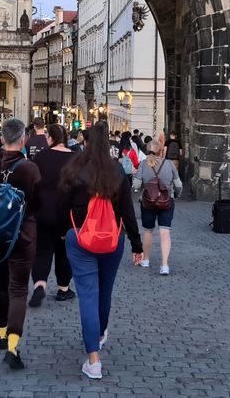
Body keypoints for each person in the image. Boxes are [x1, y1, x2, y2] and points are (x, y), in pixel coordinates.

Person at [60, 124, 143, 379]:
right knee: (104, 292)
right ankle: (100, 332)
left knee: (87, 295)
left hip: (81, 239)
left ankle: (93, 360)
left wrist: (64, 232)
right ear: (108, 144)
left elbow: (61, 205)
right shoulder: (117, 169)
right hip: (112, 239)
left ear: (84, 142)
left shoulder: (74, 169)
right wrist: (137, 245)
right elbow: (128, 211)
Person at [0, 118, 41, 369]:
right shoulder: (29, 168)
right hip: (22, 235)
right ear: (23, 140)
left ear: (1, 138)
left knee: (0, 284)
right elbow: (38, 203)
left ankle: (0, 333)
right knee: (19, 289)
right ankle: (13, 345)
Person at [29, 124, 77, 306]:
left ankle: (40, 284)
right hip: (67, 211)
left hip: (43, 210)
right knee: (64, 251)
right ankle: (63, 288)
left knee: (42, 250)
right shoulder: (74, 157)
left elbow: (33, 183)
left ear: (50, 138)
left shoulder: (40, 156)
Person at [132, 140, 182, 275]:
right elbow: (178, 184)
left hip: (148, 202)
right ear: (161, 151)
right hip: (166, 201)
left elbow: (136, 185)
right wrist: (176, 195)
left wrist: (139, 187)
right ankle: (164, 265)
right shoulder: (169, 163)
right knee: (165, 232)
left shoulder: (143, 164)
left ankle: (146, 260)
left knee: (148, 231)